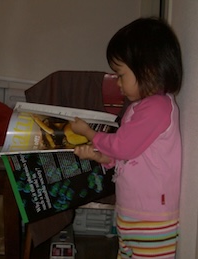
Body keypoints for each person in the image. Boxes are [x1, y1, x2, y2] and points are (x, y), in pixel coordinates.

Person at [70, 17, 183, 259]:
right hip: (133, 211)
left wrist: (89, 133)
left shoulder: (158, 107)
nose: (118, 83)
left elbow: (124, 146)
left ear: (149, 70)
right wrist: (102, 156)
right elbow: (130, 154)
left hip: (151, 218)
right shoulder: (138, 107)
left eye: (121, 75)